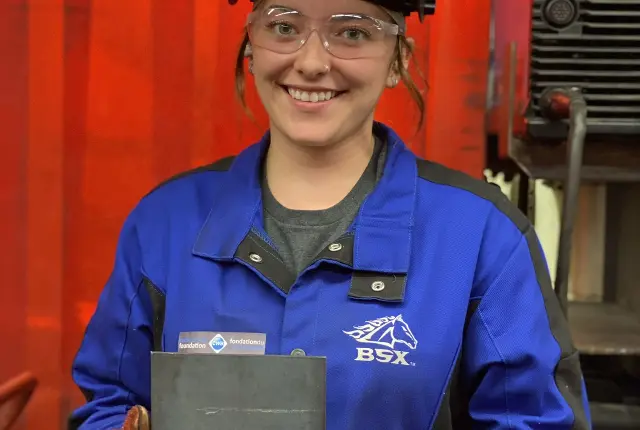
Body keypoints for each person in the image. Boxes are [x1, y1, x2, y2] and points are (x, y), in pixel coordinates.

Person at [69, 0, 592, 429]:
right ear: (251, 49)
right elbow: (109, 404)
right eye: (283, 26)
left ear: (398, 61)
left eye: (353, 32)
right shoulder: (165, 225)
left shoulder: (480, 238)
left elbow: (534, 419)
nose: (313, 62)